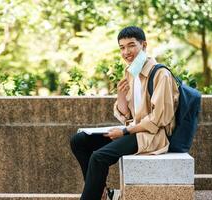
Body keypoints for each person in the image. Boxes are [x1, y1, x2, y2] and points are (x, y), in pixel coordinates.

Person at [70, 26, 179, 200]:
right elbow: (127, 115)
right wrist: (121, 98)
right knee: (79, 140)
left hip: (152, 136)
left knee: (99, 158)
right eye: (122, 47)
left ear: (144, 45)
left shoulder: (161, 74)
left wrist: (125, 131)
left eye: (131, 45)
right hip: (134, 130)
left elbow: (159, 118)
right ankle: (101, 192)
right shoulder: (131, 72)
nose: (126, 52)